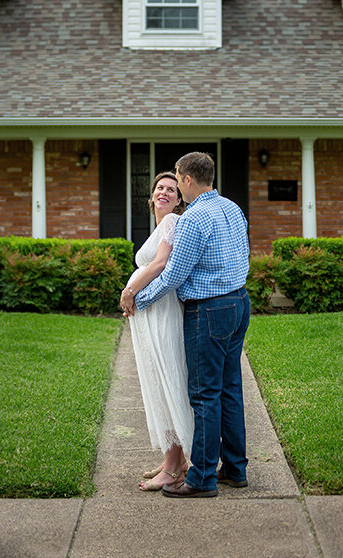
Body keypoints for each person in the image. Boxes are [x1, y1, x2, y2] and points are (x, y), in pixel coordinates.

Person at [121, 151, 250, 498]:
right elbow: (244, 255)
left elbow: (174, 273)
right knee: (229, 388)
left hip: (209, 311)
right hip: (239, 303)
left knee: (204, 393)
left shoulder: (193, 219)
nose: (175, 185)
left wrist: (138, 299)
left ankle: (201, 478)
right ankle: (235, 469)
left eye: (177, 179)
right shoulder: (232, 209)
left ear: (188, 180)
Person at [123, 172, 192, 491]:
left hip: (163, 315)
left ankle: (174, 469)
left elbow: (162, 264)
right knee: (159, 382)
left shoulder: (172, 223)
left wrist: (129, 290)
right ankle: (173, 461)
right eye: (159, 188)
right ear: (151, 196)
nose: (164, 192)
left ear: (179, 200)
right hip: (153, 316)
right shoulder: (160, 227)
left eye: (171, 190)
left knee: (167, 382)